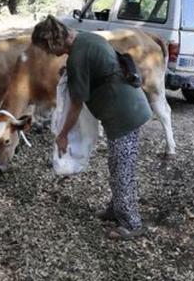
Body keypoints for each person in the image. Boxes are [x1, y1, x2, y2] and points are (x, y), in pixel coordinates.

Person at [31, 16, 152, 240]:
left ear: (52, 42)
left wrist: (63, 135)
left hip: (125, 113)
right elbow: (97, 68)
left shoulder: (78, 55)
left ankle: (132, 223)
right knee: (116, 164)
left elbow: (76, 103)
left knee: (122, 168)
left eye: (45, 49)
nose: (48, 54)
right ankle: (116, 208)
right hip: (127, 106)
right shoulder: (85, 39)